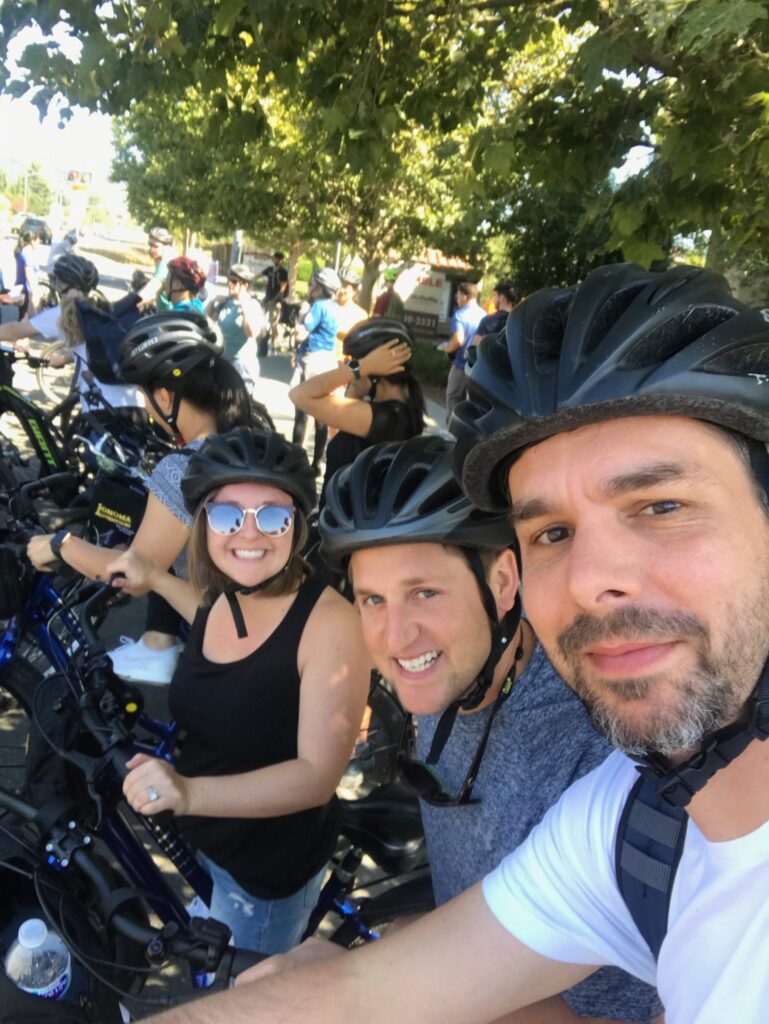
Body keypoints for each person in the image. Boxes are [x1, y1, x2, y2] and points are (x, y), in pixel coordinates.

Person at [148, 262, 769, 1024]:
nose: (590, 581)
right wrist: (373, 969)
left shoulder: (595, 757)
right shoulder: (633, 810)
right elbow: (375, 990)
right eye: (552, 532)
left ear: (501, 586)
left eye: (661, 505)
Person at [310, 434, 658, 1022]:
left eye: (424, 593)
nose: (396, 638)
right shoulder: (442, 670)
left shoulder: (598, 738)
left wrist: (404, 974)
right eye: (373, 599)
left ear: (502, 583)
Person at [111, 426, 370, 953]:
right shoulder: (227, 594)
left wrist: (186, 793)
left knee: (244, 997)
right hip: (211, 839)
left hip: (263, 872)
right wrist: (156, 579)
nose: (248, 535)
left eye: (272, 516)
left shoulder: (332, 624)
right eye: (228, 515)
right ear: (203, 523)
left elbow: (315, 778)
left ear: (298, 525)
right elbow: (208, 621)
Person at [27, 311, 254, 685]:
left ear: (165, 396)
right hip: (264, 630)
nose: (146, 406)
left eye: (145, 395)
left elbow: (133, 572)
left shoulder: (185, 468)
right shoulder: (248, 440)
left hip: (225, 649)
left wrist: (59, 544)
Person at [289, 318, 425, 507]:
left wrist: (361, 367)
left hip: (343, 527)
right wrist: (358, 382)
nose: (349, 365)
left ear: (376, 371)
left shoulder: (386, 418)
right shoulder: (393, 411)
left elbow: (300, 395)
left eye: (353, 361)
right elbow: (337, 432)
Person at [291, 267, 342, 476]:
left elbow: (301, 335)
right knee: (322, 413)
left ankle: (294, 458)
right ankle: (317, 463)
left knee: (301, 411)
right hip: (328, 360)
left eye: (312, 283)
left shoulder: (317, 307)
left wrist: (299, 319)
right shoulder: (334, 307)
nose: (310, 286)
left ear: (321, 288)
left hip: (313, 360)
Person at [206, 263, 266, 395]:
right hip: (223, 362)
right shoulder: (224, 303)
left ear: (246, 285)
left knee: (237, 410)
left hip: (242, 366)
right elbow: (205, 321)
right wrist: (212, 303)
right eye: (229, 280)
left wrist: (245, 308)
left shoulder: (252, 305)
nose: (230, 284)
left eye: (234, 281)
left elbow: (252, 333)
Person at [443, 280, 484, 420]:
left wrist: (447, 349)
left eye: (458, 295)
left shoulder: (459, 315)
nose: (456, 298)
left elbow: (458, 341)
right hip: (478, 367)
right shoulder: (484, 315)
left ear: (465, 297)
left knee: (453, 397)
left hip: (461, 364)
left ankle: (452, 431)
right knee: (471, 402)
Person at [470, 279, 519, 347]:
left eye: (495, 295)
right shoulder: (519, 321)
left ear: (502, 298)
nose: (493, 299)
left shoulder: (487, 321)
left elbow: (474, 347)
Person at [333, 269, 368, 359]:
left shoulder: (361, 315)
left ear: (354, 291)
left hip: (345, 364)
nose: (341, 290)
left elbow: (362, 343)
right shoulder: (326, 307)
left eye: (345, 286)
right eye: (339, 285)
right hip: (323, 362)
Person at [261, 250, 289, 355]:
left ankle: (274, 347)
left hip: (277, 301)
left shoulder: (283, 272)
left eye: (278, 258)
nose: (276, 260)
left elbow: (282, 289)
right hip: (267, 298)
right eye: (275, 258)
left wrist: (274, 301)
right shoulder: (270, 270)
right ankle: (260, 341)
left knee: (273, 323)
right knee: (257, 316)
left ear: (281, 260)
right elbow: (257, 276)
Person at [147, 226, 175, 312]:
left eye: (155, 246)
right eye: (150, 245)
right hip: (163, 314)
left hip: (167, 318)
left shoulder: (165, 264)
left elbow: (150, 291)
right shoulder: (163, 261)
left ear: (167, 246)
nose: (151, 249)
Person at [14, 229, 40, 318]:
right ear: (32, 241)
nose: (39, 243)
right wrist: (33, 291)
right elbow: (28, 273)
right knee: (26, 316)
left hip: (21, 287)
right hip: (26, 289)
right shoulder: (28, 253)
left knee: (23, 315)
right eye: (38, 241)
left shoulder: (23, 251)